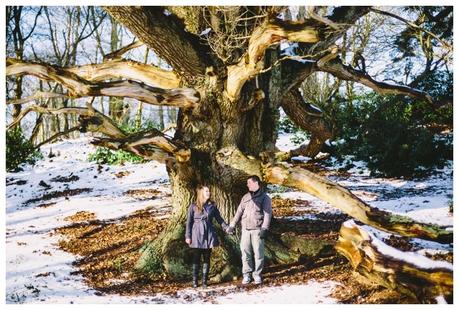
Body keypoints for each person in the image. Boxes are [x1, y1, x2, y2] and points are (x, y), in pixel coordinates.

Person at [227, 175, 272, 285]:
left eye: (249, 183)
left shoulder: (265, 197)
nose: (247, 185)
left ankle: (257, 275)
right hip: (245, 230)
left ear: (256, 183)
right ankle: (246, 275)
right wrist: (232, 225)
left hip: (257, 230)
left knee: (258, 254)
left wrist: (264, 228)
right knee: (245, 253)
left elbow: (267, 214)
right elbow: (238, 212)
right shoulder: (245, 197)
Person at [185, 185, 229, 288]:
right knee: (196, 258)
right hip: (196, 234)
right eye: (206, 191)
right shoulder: (193, 206)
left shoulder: (212, 206)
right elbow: (189, 222)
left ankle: (204, 281)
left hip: (208, 234)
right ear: (201, 193)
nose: (209, 193)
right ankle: (195, 280)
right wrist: (188, 236)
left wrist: (226, 227)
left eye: (208, 191)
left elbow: (219, 219)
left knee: (207, 258)